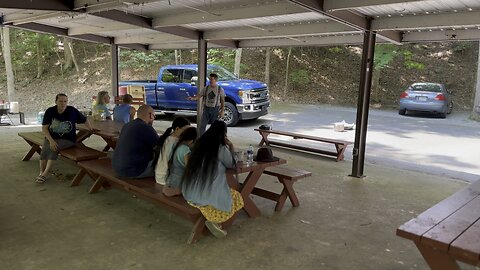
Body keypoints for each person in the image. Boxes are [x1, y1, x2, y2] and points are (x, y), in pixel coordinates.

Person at [182, 120, 243, 238]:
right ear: (223, 135)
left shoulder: (199, 144)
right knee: (236, 196)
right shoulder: (220, 149)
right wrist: (231, 146)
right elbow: (231, 164)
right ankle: (216, 222)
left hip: (189, 192)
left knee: (221, 189)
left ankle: (215, 222)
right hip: (204, 196)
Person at [36, 93, 93, 183]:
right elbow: (44, 128)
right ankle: (41, 172)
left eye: (65, 101)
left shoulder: (72, 111)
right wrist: (51, 140)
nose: (63, 103)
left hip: (68, 140)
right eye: (61, 101)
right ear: (56, 102)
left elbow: (84, 119)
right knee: (45, 148)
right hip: (52, 137)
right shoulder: (50, 111)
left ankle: (45, 173)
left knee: (54, 148)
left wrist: (90, 129)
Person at [112, 105, 158, 178]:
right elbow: (159, 147)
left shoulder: (127, 125)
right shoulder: (146, 127)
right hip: (135, 171)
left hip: (117, 168)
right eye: (154, 116)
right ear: (150, 115)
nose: (153, 119)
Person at [154, 117, 191, 185]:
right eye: (185, 130)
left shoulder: (167, 138)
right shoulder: (176, 142)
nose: (187, 133)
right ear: (177, 129)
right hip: (166, 178)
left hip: (159, 174)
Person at [163, 126, 197, 197]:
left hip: (169, 184)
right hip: (177, 188)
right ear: (192, 140)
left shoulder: (176, 145)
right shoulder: (185, 150)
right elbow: (190, 170)